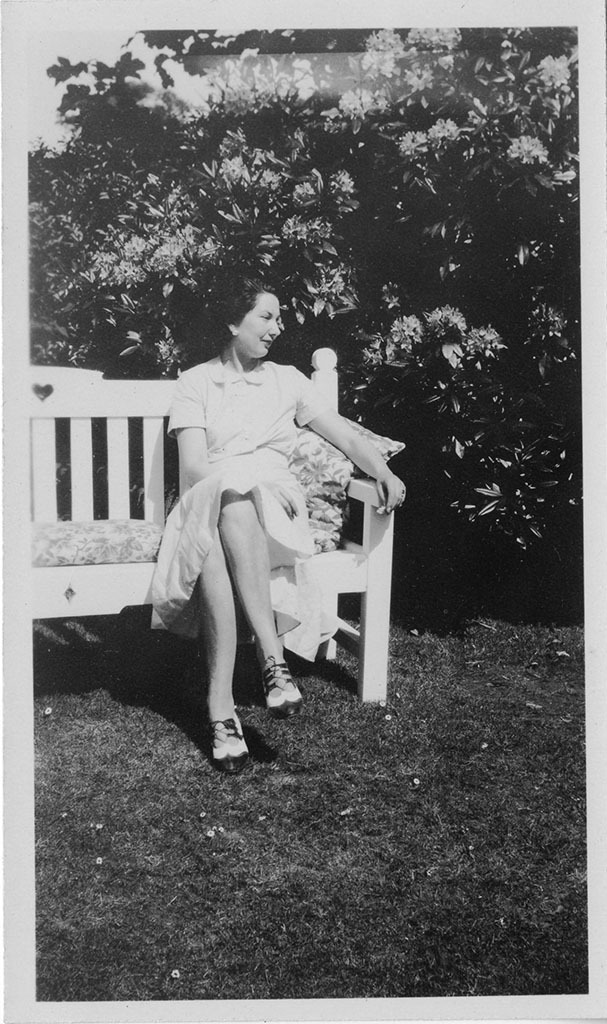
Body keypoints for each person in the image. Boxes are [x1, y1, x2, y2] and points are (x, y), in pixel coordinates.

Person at [151, 277, 406, 773]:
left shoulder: (288, 380)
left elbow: (344, 437)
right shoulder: (195, 382)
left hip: (275, 512)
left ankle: (224, 708)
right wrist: (243, 478)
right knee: (224, 512)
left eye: (279, 318)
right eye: (266, 317)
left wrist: (383, 471)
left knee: (228, 515)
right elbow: (195, 468)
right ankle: (270, 665)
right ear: (233, 322)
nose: (277, 327)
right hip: (210, 498)